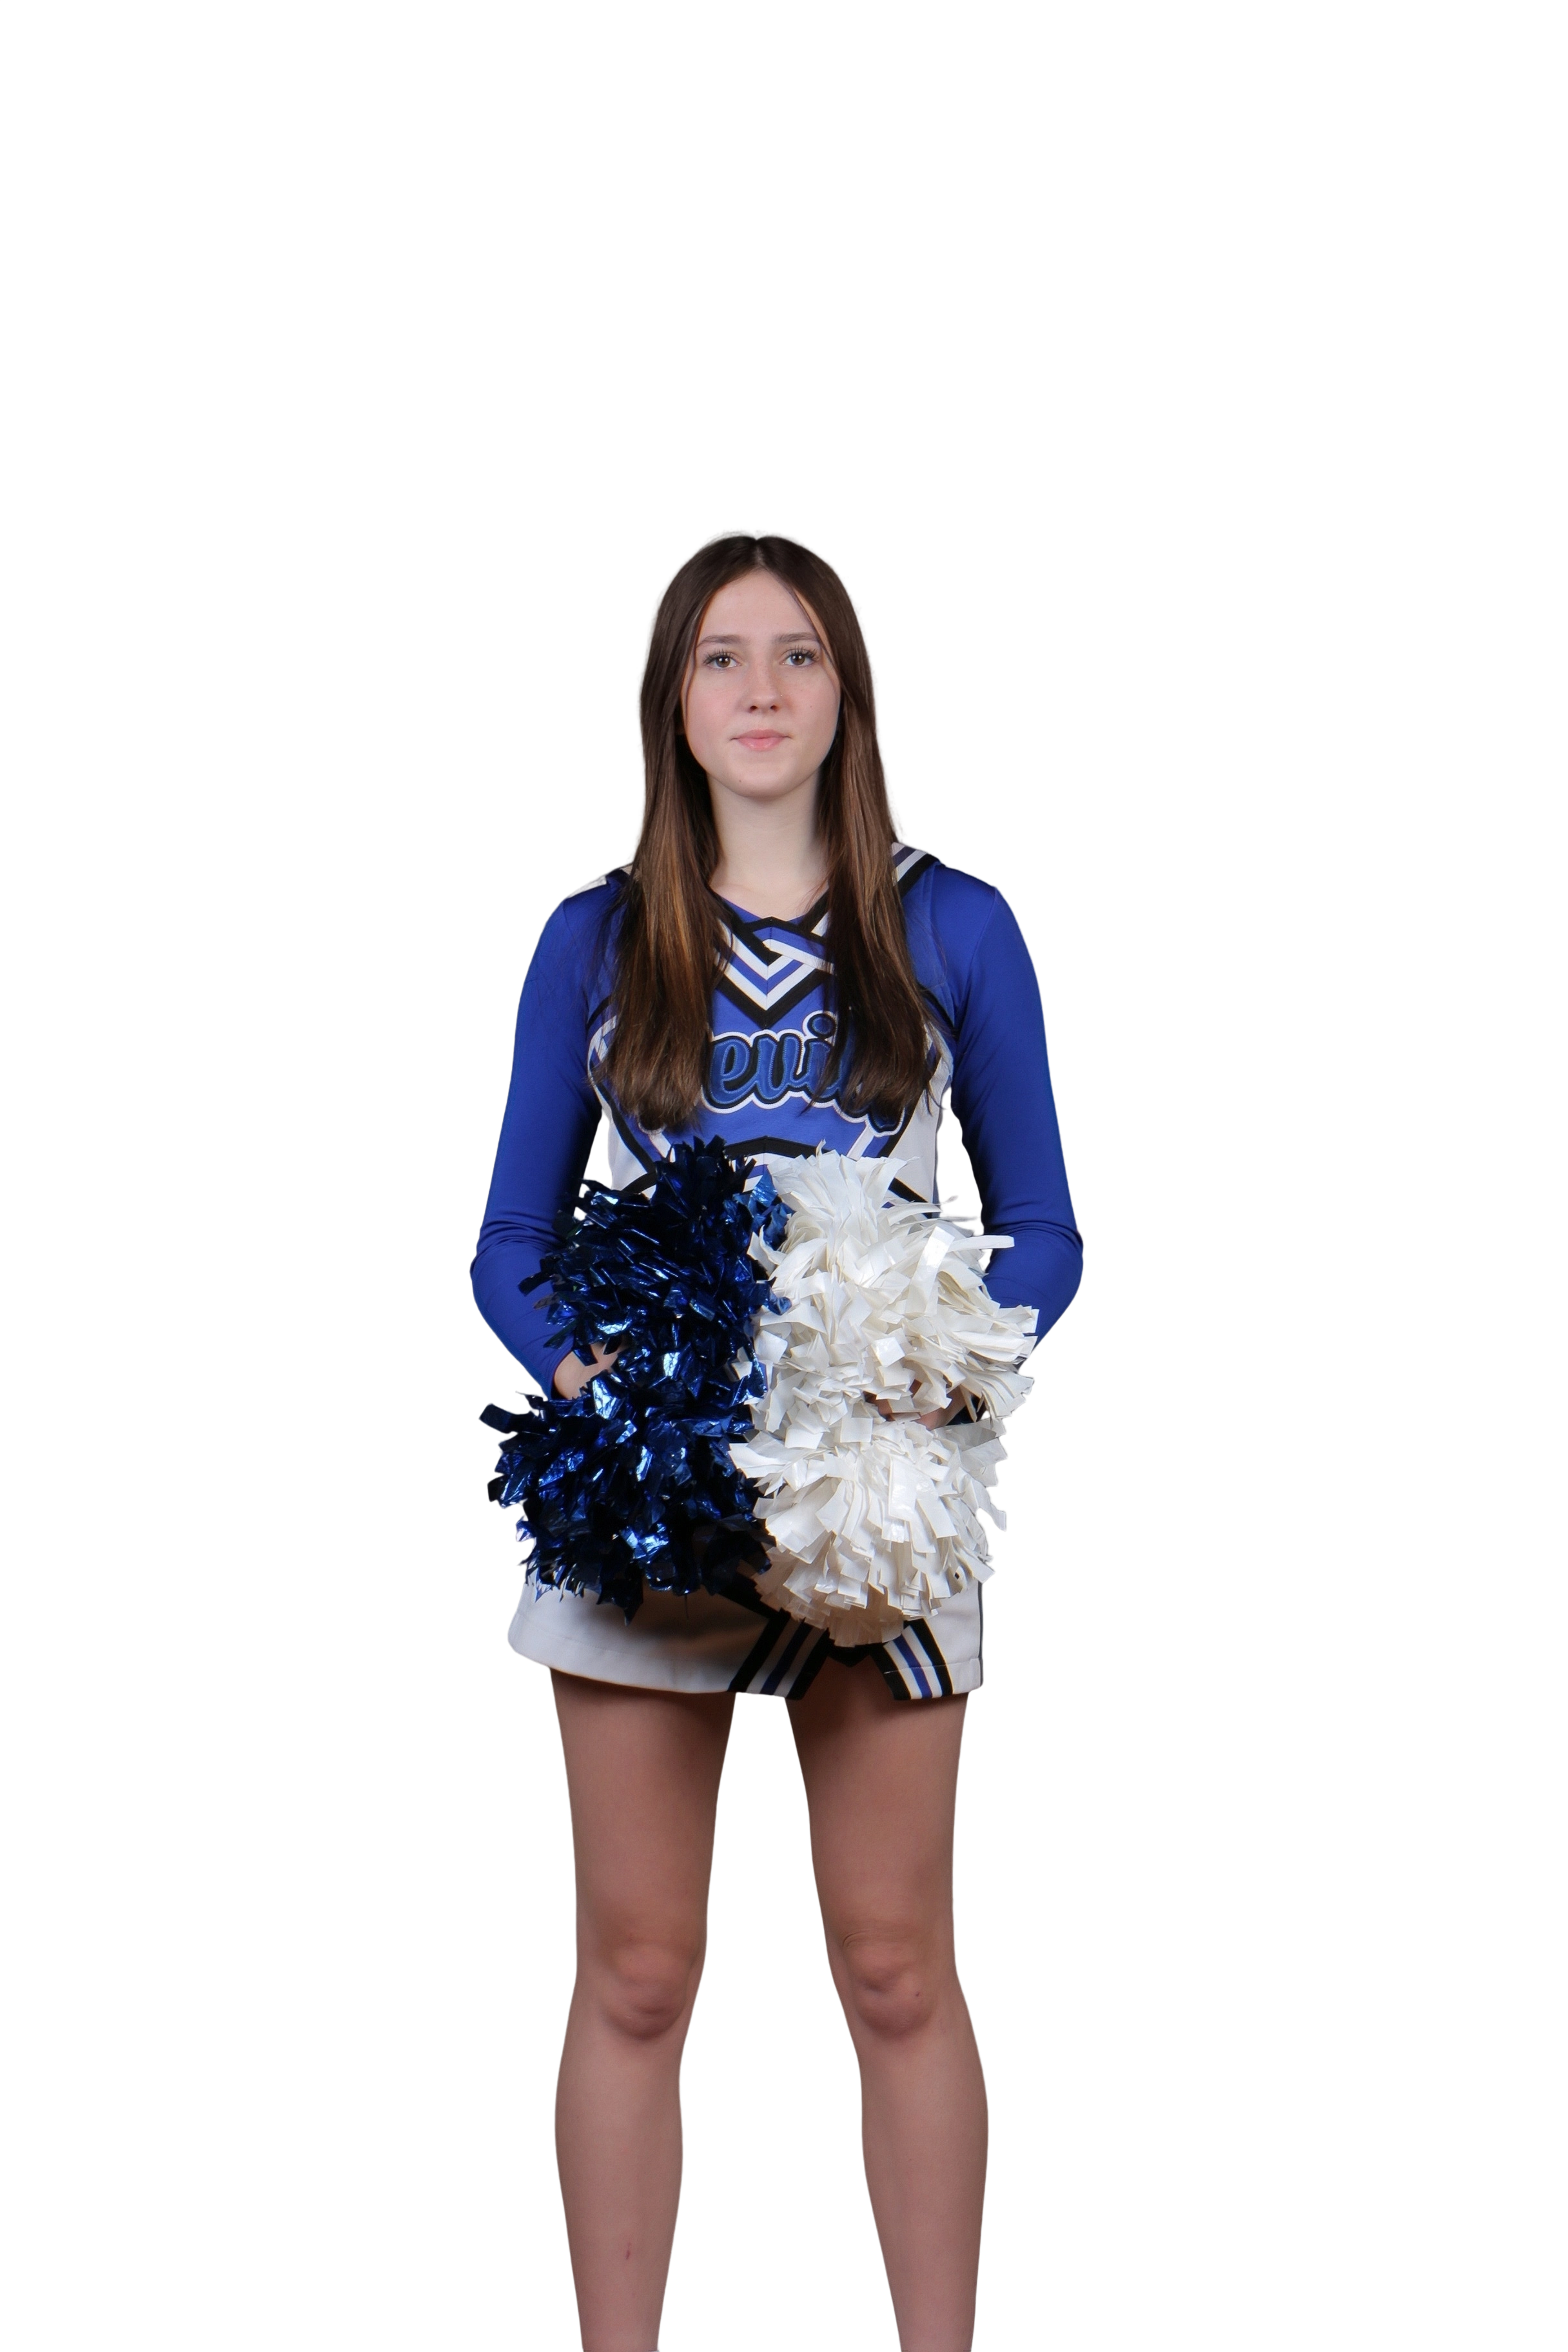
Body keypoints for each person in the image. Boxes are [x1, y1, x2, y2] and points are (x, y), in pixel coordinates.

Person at [467, 527, 1085, 2352]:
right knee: (637, 1970)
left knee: (895, 1968)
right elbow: (511, 1247)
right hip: (653, 1507)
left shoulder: (952, 923)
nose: (760, 691)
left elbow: (1045, 1232)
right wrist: (602, 1387)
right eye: (722, 658)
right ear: (672, 699)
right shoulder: (595, 937)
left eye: (799, 656)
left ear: (849, 693)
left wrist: (928, 1372)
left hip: (872, 1502)